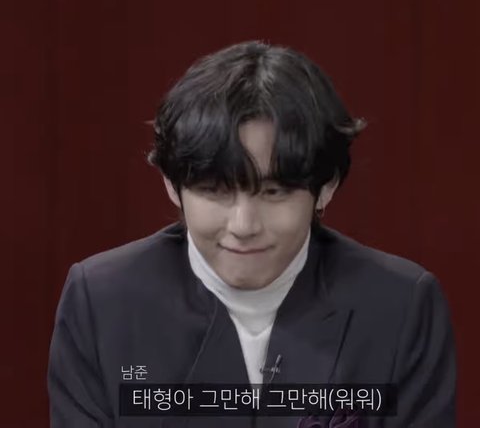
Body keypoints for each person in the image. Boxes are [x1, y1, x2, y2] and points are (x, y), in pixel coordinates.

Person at [48, 41, 456, 428]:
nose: (243, 226)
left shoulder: (400, 305)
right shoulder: (102, 301)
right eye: (215, 190)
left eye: (274, 192)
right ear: (172, 184)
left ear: (326, 186)